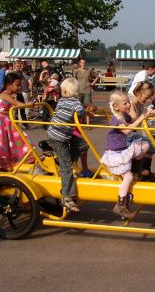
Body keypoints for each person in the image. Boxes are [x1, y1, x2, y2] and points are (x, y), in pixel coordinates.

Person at [100, 91, 154, 218]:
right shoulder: (116, 119)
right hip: (115, 154)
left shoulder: (124, 115)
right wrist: (143, 117)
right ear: (116, 106)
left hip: (123, 150)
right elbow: (127, 130)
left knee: (146, 145)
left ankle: (135, 169)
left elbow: (134, 120)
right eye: (125, 103)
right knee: (128, 177)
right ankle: (120, 205)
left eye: (129, 102)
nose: (129, 105)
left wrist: (146, 114)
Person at [46, 78, 88, 212]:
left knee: (83, 145)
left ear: (66, 91)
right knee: (67, 167)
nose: (61, 91)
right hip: (58, 138)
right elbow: (81, 112)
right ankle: (67, 197)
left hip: (62, 135)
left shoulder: (61, 100)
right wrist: (85, 111)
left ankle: (62, 160)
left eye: (63, 89)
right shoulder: (74, 102)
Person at [0, 72, 33, 170]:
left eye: (20, 85)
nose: (19, 88)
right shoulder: (5, 95)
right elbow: (16, 103)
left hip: (3, 118)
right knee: (1, 140)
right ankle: (1, 163)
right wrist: (29, 105)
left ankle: (11, 159)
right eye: (17, 85)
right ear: (9, 85)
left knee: (12, 137)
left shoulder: (4, 93)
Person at [128, 81, 155, 179]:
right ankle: (137, 170)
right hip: (126, 134)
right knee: (147, 143)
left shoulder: (139, 104)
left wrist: (150, 114)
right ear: (138, 93)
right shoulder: (131, 104)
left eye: (150, 97)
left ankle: (146, 170)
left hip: (132, 133)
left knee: (150, 144)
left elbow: (140, 119)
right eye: (147, 96)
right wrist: (145, 115)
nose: (149, 99)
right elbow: (134, 120)